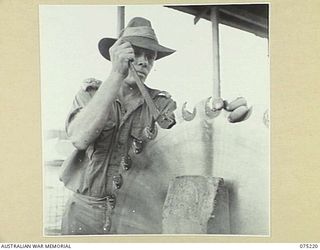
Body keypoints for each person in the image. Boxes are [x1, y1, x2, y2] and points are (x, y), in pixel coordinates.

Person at [59, 16, 250, 235]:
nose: (143, 62)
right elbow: (79, 138)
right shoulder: (91, 94)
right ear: (118, 54)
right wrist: (116, 74)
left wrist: (218, 117)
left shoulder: (160, 104)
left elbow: (182, 146)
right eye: (136, 53)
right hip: (84, 211)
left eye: (150, 56)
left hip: (133, 213)